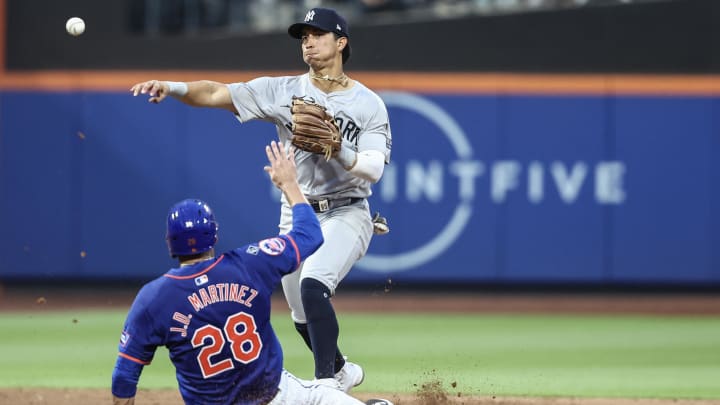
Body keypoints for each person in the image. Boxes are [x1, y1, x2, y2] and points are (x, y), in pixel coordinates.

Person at [129, 6, 392, 393]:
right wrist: (174, 87)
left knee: (314, 286)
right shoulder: (282, 90)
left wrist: (339, 150)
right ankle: (340, 370)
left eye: (317, 35)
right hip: (298, 213)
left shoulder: (368, 104)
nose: (308, 42)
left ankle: (325, 388)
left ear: (341, 42)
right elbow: (218, 92)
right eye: (303, 37)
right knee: (301, 314)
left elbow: (373, 168)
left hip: (347, 211)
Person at [111, 141, 393, 405]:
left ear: (169, 243)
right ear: (214, 234)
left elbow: (124, 378)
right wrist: (291, 185)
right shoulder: (249, 264)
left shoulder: (153, 298)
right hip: (279, 398)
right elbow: (309, 235)